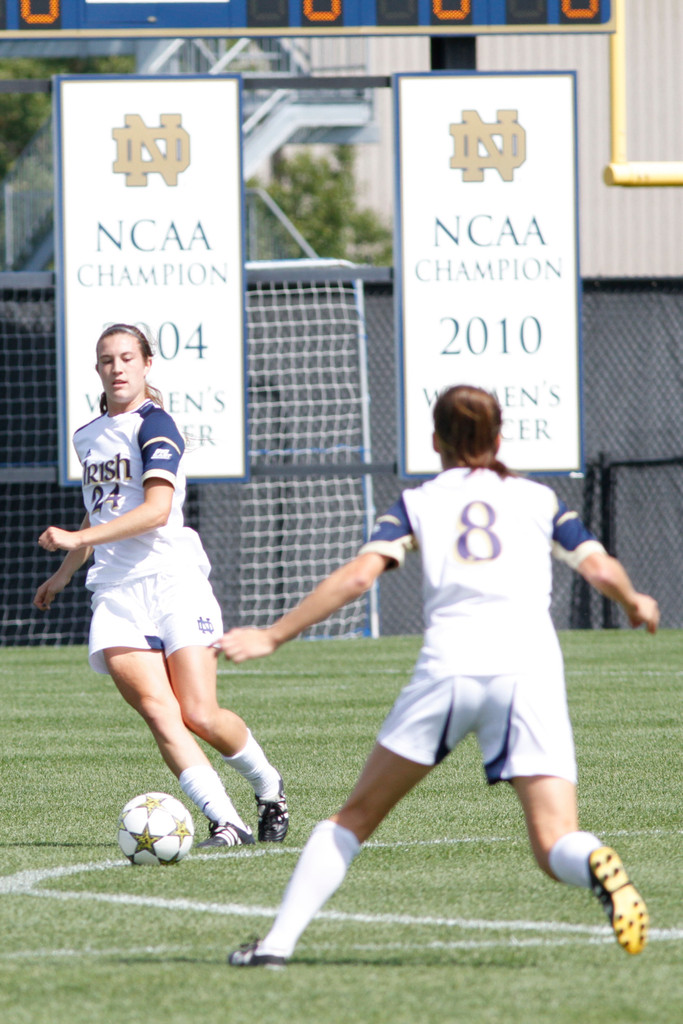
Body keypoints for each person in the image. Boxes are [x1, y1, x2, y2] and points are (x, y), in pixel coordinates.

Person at [216, 383, 658, 967]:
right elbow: (598, 566)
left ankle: (275, 946)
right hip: (529, 668)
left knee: (353, 819)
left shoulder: (418, 502)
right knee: (555, 840)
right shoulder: (538, 500)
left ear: (434, 442)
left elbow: (356, 578)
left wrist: (272, 634)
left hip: (452, 665)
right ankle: (598, 862)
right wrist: (633, 601)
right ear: (500, 438)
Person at [33, 323, 288, 848]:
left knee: (198, 712)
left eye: (128, 358)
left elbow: (156, 511)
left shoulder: (157, 425)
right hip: (116, 591)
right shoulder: (87, 436)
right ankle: (226, 820)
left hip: (174, 580)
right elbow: (103, 510)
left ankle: (268, 788)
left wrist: (78, 535)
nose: (118, 367)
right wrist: (63, 574)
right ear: (98, 369)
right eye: (107, 360)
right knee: (157, 709)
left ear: (148, 365)